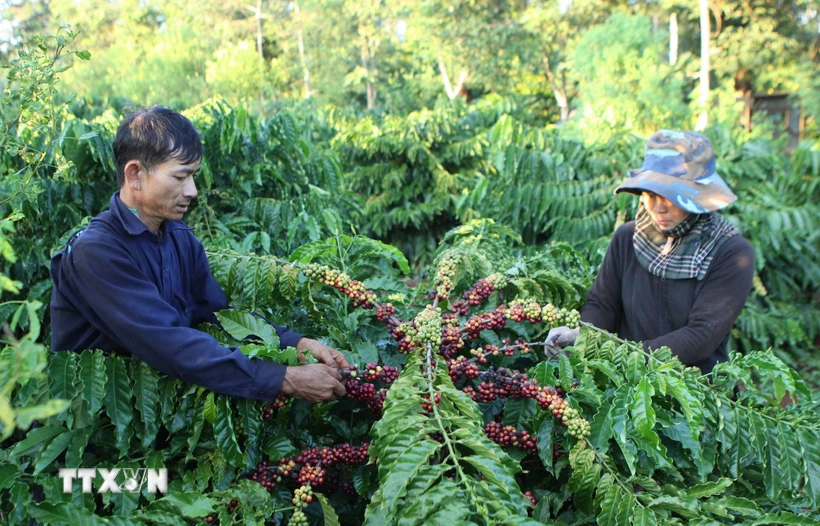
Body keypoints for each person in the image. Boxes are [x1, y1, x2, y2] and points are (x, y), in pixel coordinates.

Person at [50, 107, 348, 403]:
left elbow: (219, 317)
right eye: (181, 176)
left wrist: (298, 343)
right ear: (135, 175)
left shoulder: (181, 239)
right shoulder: (96, 251)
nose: (192, 190)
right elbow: (168, 343)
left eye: (193, 175)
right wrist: (285, 379)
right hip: (94, 425)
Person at [547, 130, 755, 373]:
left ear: (696, 197)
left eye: (669, 196)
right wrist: (581, 336)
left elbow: (701, 336)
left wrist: (623, 355)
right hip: (625, 380)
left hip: (695, 390)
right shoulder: (628, 238)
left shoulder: (730, 252)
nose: (657, 207)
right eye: (650, 194)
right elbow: (603, 304)